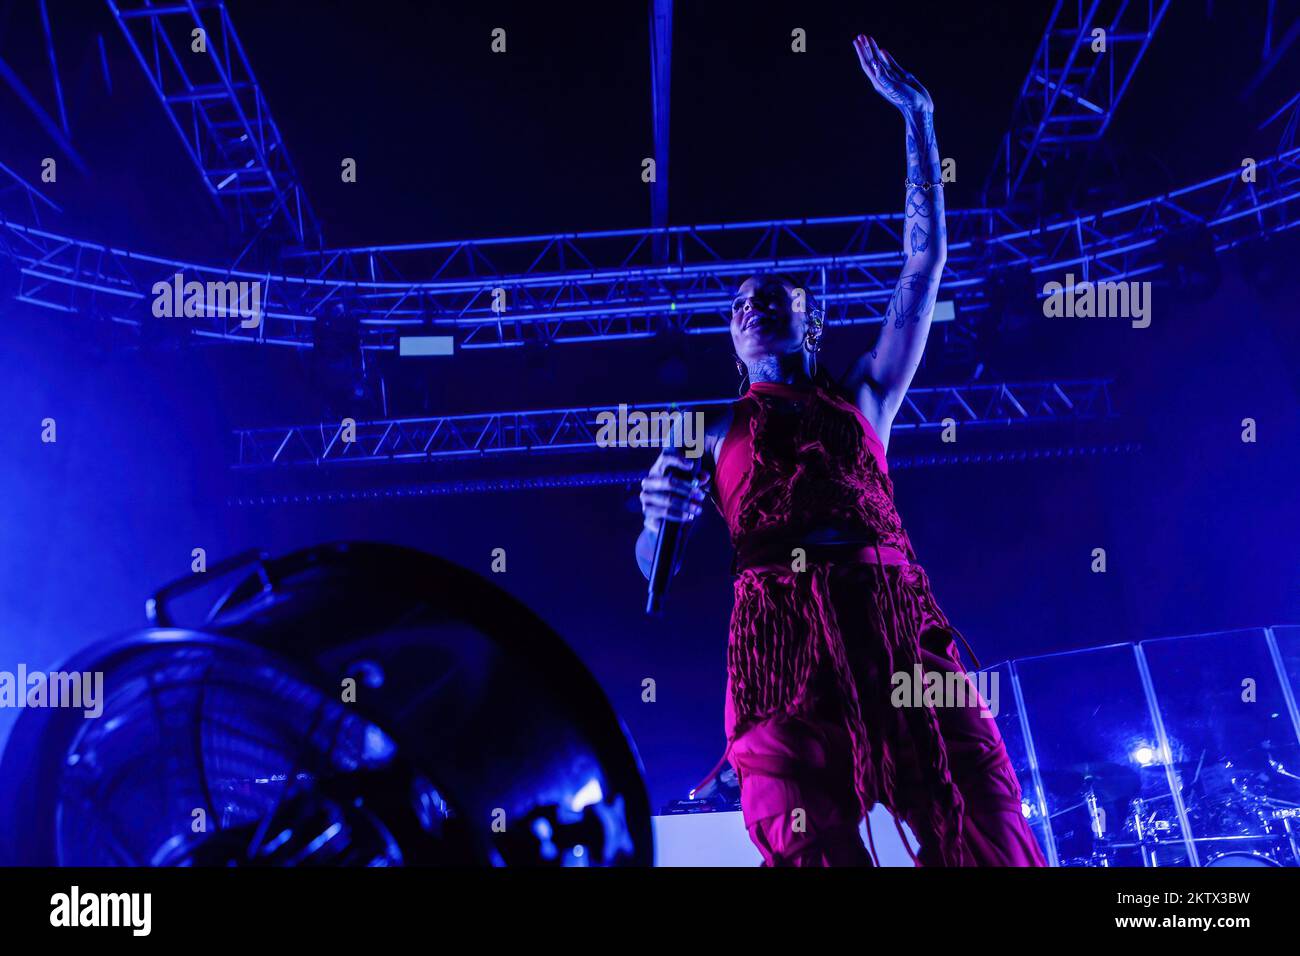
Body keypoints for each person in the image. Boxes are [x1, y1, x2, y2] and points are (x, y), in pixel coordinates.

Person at [636, 35, 1046, 867]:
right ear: (730, 338)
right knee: (804, 837)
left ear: (808, 318)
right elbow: (654, 570)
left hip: (894, 613)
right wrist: (653, 518)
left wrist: (920, 120)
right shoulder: (710, 428)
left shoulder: (863, 395)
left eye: (771, 295)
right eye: (739, 303)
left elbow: (923, 263)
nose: (752, 305)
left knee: (982, 813)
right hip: (779, 630)